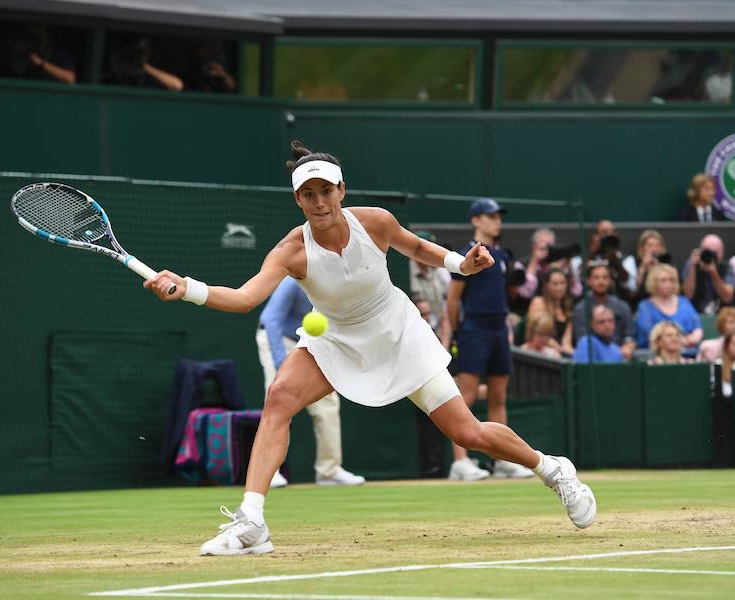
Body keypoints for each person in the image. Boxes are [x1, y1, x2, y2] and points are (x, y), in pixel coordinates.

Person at [144, 141, 596, 554]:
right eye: (308, 195)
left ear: (342, 190)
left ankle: (554, 470)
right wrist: (187, 288)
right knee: (279, 397)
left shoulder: (376, 222)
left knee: (468, 434)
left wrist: (462, 264)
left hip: (400, 333)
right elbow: (245, 299)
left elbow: (418, 248)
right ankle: (252, 523)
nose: (319, 202)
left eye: (326, 191)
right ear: (298, 200)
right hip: (336, 339)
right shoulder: (290, 250)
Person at [446, 198, 534, 481]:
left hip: (498, 330)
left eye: (498, 216)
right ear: (475, 220)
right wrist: (459, 331)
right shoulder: (466, 255)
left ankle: (503, 461)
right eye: (490, 216)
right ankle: (460, 462)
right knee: (466, 397)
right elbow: (453, 301)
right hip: (474, 330)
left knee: (498, 396)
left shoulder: (503, 256)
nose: (496, 221)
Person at [256, 276, 365, 488]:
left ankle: (329, 471)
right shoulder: (292, 282)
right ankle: (269, 472)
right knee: (278, 403)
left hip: (309, 342)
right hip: (277, 339)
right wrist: (281, 363)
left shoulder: (338, 283)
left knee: (328, 404)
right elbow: (271, 319)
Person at [571, 260, 636, 360]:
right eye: (596, 278)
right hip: (594, 355)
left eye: (605, 277)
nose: (601, 282)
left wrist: (628, 346)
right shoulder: (581, 309)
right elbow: (583, 339)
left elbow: (629, 335)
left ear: (610, 281)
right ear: (588, 281)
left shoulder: (622, 306)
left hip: (622, 356)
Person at [635, 264, 703, 352]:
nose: (668, 284)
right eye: (663, 280)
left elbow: (697, 327)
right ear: (654, 283)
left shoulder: (684, 302)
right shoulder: (645, 306)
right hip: (656, 354)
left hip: (687, 351)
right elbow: (648, 334)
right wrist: (677, 341)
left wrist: (689, 340)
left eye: (671, 280)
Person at [410, 230, 451, 343]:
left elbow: (444, 313)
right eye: (429, 251)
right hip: (415, 341)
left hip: (437, 339)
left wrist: (445, 345)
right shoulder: (407, 274)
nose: (433, 255)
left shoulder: (437, 274)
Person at [681, 234, 735, 315]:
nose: (711, 257)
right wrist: (692, 267)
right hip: (695, 313)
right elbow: (688, 295)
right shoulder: (692, 264)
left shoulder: (727, 267)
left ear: (721, 253)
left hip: (720, 315)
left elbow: (727, 298)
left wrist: (714, 273)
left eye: (715, 253)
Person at [105, 36, 184, 91]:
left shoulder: (150, 72)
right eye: (136, 52)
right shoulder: (119, 66)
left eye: (141, 52)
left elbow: (177, 86)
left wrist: (144, 66)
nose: (137, 55)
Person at [527, 268, 574, 355]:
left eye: (562, 283)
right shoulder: (538, 302)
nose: (559, 288)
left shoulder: (567, 310)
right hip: (538, 351)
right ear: (547, 285)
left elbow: (567, 343)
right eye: (555, 284)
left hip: (559, 353)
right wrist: (558, 349)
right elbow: (534, 334)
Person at [5, 26, 76, 84]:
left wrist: (41, 63)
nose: (34, 40)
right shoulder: (27, 53)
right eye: (30, 36)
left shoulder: (58, 53)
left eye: (36, 36)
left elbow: (69, 78)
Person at [621, 229, 669, 309]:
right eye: (649, 245)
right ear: (642, 248)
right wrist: (642, 268)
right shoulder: (632, 262)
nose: (654, 249)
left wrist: (657, 269)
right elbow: (632, 293)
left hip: (664, 305)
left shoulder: (667, 264)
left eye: (657, 245)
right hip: (638, 306)